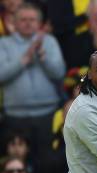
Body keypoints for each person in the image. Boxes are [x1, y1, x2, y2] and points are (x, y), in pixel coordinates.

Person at [0, 2, 66, 159]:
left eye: (32, 19)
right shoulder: (3, 44)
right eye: (23, 19)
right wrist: (24, 59)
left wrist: (44, 59)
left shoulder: (49, 42)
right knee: (17, 163)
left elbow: (59, 74)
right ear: (14, 23)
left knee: (47, 161)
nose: (28, 23)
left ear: (39, 23)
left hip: (47, 114)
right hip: (15, 116)